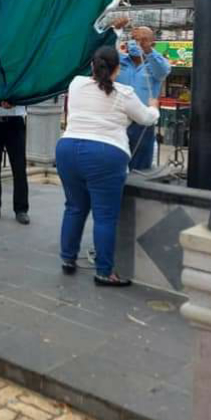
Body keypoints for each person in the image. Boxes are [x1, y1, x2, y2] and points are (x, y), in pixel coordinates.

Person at [56, 46, 160, 286]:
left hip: (68, 149)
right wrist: (154, 106)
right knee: (104, 216)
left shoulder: (76, 84)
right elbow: (145, 119)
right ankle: (104, 272)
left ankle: (68, 259)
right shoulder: (124, 93)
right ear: (117, 68)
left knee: (74, 207)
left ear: (93, 66)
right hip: (105, 154)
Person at [111, 20, 169, 170]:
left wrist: (146, 49)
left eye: (143, 40)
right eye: (135, 39)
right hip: (118, 120)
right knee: (115, 163)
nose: (137, 43)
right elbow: (104, 52)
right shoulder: (119, 61)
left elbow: (163, 71)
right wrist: (116, 30)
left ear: (152, 43)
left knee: (140, 168)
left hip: (142, 123)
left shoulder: (157, 64)